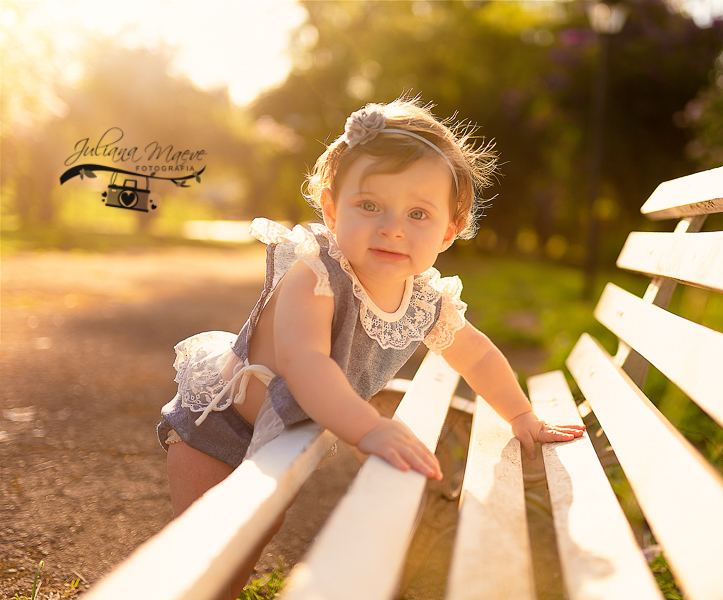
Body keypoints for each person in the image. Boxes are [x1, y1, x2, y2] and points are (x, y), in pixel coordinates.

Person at [157, 96, 586, 599]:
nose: (392, 227)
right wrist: (370, 430)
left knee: (246, 546)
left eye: (418, 213)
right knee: (206, 556)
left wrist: (520, 417)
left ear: (449, 231)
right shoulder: (314, 271)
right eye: (369, 205)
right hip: (220, 427)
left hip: (281, 441)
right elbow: (306, 363)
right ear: (333, 208)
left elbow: (477, 355)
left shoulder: (425, 299)